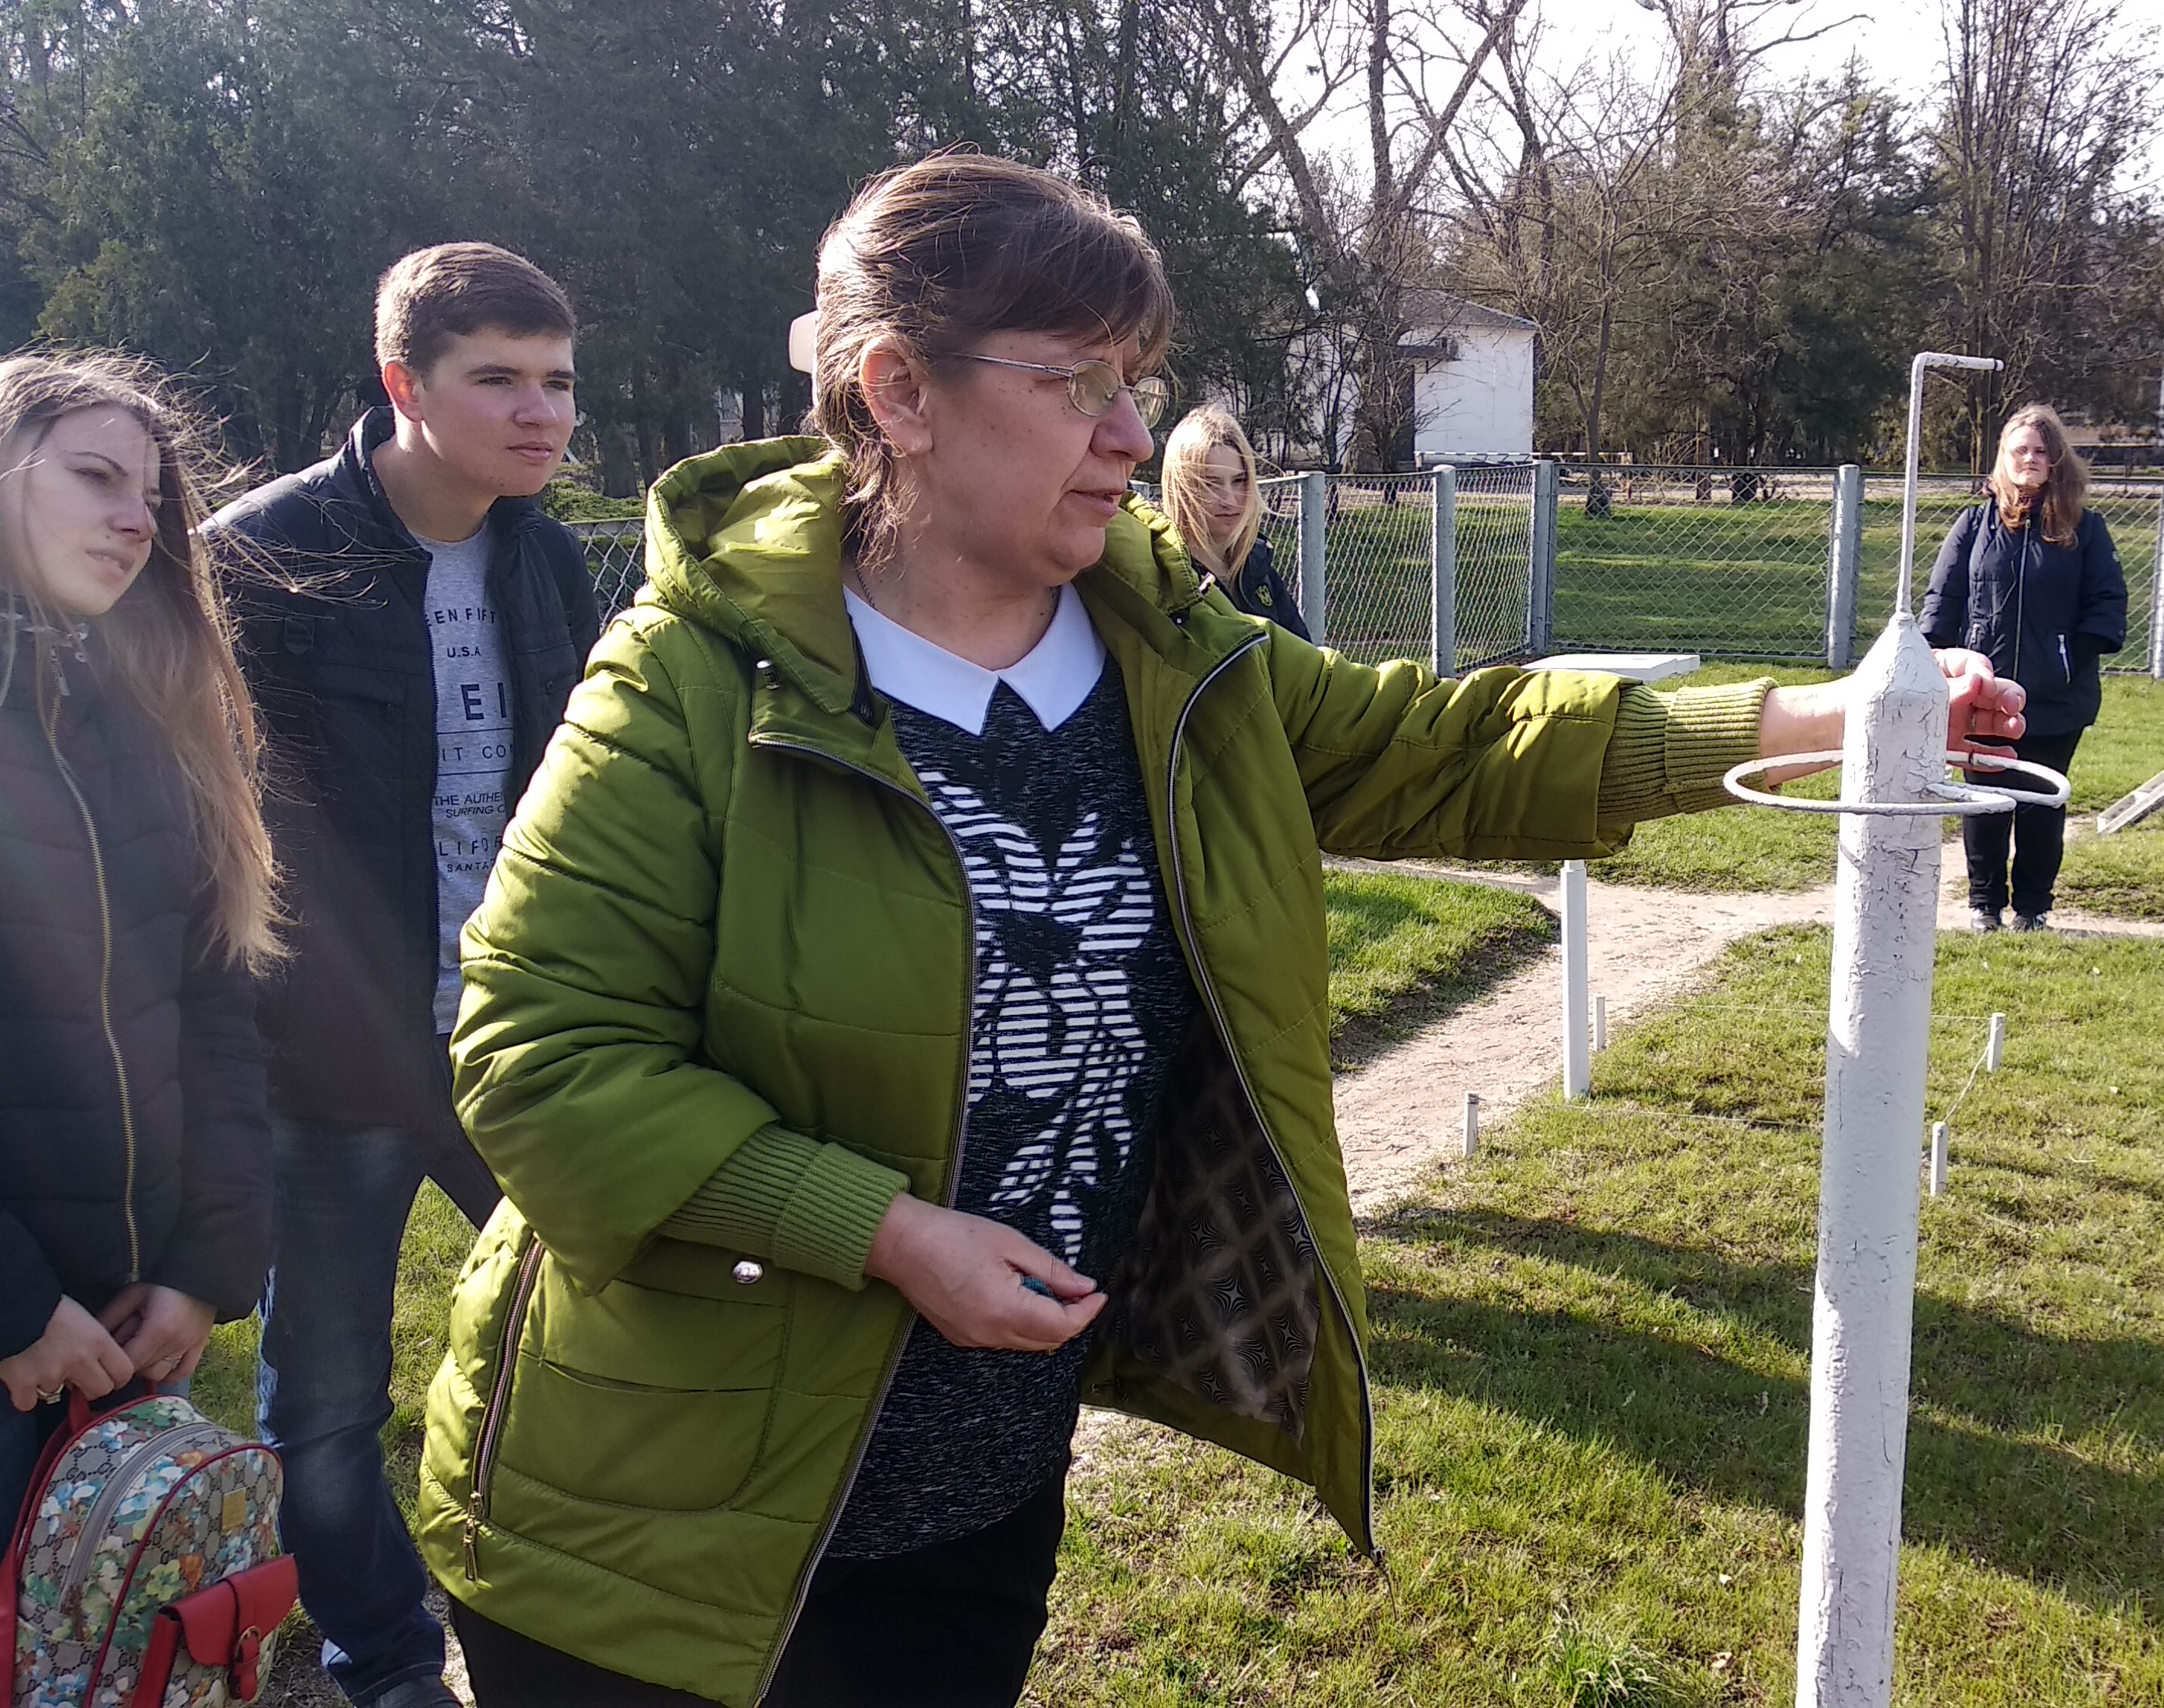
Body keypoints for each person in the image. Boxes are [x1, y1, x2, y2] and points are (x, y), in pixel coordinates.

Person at [414, 154, 2024, 1708]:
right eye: (1074, 383)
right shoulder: (691, 677)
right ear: (898, 391)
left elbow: (1451, 749)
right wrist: (887, 1233)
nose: (1129, 434)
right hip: (647, 1530)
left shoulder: (1173, 656)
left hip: (976, 1499)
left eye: (1136, 381)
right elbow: (539, 1058)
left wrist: (1823, 721)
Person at [212, 243, 599, 1708]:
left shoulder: (547, 559)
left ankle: (572, 1618)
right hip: (336, 1069)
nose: (540, 412)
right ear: (404, 385)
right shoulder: (262, 555)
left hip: (521, 1042)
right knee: (324, 1405)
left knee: (609, 1342)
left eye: (558, 380)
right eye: (498, 379)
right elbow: (220, 837)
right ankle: (384, 1663)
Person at [0, 352, 276, 1531]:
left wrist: (205, 1265)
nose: (137, 521)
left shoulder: (150, 715)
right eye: (95, 477)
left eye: (153, 497)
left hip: (123, 1328)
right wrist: (14, 1306)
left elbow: (215, 1009)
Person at [1919, 403, 2128, 931]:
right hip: (1983, 695)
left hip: (2056, 699)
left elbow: (2107, 607)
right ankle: (1984, 905)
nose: (2030, 459)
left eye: (2040, 451)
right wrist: (1937, 658)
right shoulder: (1974, 524)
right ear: (2004, 458)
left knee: (2039, 803)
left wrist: (2066, 662)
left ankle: (2033, 909)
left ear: (2056, 460)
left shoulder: (2085, 529)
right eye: (2020, 451)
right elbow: (1943, 600)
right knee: (1985, 801)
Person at [1159, 402, 1308, 638]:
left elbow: (1306, 656)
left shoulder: (1258, 567)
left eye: (1239, 481)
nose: (1229, 499)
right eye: (1211, 484)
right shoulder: (1163, 580)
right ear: (1181, 487)